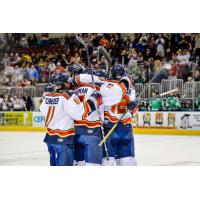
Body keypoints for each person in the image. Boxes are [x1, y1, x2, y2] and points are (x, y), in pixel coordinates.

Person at [40, 72, 102, 166]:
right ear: (64, 83)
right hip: (63, 139)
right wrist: (94, 100)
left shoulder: (46, 97)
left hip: (50, 138)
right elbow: (79, 113)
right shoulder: (66, 96)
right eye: (67, 81)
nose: (69, 83)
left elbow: (42, 109)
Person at [102, 64, 137, 166]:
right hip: (125, 128)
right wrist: (131, 109)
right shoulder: (131, 89)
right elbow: (133, 110)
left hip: (109, 127)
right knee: (127, 161)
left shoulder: (106, 85)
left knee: (107, 161)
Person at [69, 64, 104, 166]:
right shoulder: (96, 88)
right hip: (92, 130)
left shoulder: (72, 91)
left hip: (76, 130)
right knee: (93, 165)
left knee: (78, 163)